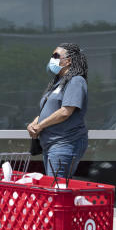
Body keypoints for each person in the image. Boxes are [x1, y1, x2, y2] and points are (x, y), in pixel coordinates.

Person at [27, 43, 89, 179]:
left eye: (56, 56)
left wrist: (40, 126)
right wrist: (34, 122)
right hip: (50, 143)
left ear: (68, 61)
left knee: (57, 187)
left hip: (65, 142)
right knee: (54, 186)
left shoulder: (76, 81)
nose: (52, 59)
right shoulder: (58, 82)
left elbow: (65, 111)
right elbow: (49, 110)